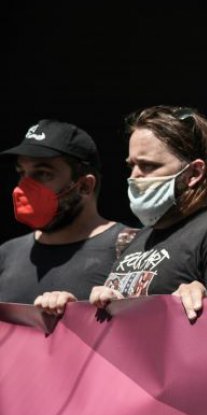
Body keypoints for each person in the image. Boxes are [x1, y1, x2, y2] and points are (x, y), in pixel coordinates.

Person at [88, 106, 207, 320]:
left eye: (148, 166)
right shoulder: (143, 236)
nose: (134, 177)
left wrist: (203, 301)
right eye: (131, 166)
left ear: (194, 173)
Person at [0, 119, 135, 311]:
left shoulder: (132, 248)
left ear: (84, 186)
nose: (24, 186)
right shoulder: (6, 254)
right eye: (22, 173)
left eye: (43, 174)